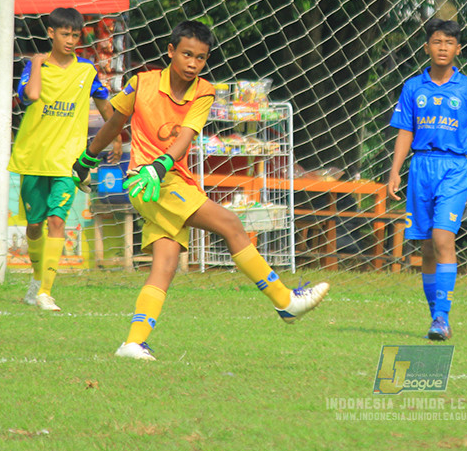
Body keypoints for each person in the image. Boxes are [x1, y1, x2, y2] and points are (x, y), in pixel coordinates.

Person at [71, 20, 328, 360]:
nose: (193, 63)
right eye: (187, 55)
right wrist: (86, 159)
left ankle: (133, 341)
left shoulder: (204, 91)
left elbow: (185, 138)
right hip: (148, 183)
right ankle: (285, 301)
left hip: (166, 177)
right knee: (230, 224)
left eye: (201, 58)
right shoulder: (141, 83)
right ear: (171, 52)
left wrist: (158, 167)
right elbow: (114, 125)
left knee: (164, 262)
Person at [387, 18, 467, 341]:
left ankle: (441, 317)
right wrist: (395, 170)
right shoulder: (413, 87)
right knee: (426, 248)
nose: (442, 48)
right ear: (427, 47)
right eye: (437, 42)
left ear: (458, 49)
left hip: (453, 168)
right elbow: (405, 131)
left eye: (449, 43)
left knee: (442, 239)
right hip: (421, 168)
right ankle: (436, 317)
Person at [8, 7, 119, 312]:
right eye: (65, 34)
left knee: (57, 221)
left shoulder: (86, 70)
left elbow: (105, 106)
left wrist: (118, 135)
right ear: (51, 33)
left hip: (68, 160)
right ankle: (36, 279)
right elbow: (29, 95)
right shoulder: (36, 66)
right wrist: (34, 62)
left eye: (75, 35)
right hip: (34, 157)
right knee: (34, 225)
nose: (70, 40)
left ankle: (45, 291)